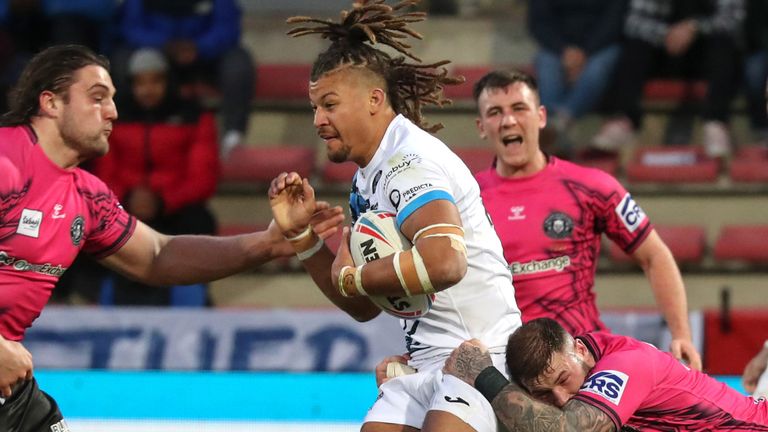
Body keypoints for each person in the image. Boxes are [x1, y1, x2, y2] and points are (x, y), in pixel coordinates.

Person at [0, 44, 343, 430]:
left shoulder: (85, 195)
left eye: (113, 99)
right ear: (50, 103)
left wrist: (266, 244)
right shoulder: (7, 160)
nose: (113, 112)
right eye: (97, 98)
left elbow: (158, 256)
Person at [269, 1, 522, 431]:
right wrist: (303, 240)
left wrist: (353, 276)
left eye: (329, 104)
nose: (318, 120)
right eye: (314, 107)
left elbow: (446, 262)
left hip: (480, 358)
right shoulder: (366, 180)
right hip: (422, 365)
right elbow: (364, 308)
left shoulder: (410, 160)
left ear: (374, 99)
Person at [472, 69, 701, 369]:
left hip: (583, 357)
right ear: (481, 126)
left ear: (541, 116)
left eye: (519, 108)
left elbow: (654, 255)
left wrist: (681, 334)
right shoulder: (467, 198)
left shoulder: (592, 186)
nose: (509, 121)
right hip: (504, 361)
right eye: (495, 112)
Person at [441, 318, 768, 432]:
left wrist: (484, 376)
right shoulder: (569, 357)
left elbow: (569, 431)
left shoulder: (626, 364)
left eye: (563, 380)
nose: (561, 399)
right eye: (543, 394)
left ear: (579, 351)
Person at [89, 48, 219, 305]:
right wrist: (127, 198)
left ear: (168, 81)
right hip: (125, 208)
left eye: (156, 81)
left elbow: (203, 179)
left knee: (200, 221)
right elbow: (104, 175)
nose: (148, 90)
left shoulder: (195, 117)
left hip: (175, 209)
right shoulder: (111, 118)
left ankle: (191, 301)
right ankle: (95, 303)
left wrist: (161, 202)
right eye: (140, 83)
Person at [591, 0, 745, 157]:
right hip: (664, 50)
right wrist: (666, 33)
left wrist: (694, 27)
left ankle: (716, 122)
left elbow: (733, 19)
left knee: (724, 45)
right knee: (635, 46)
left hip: (705, 53)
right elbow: (634, 22)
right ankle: (624, 120)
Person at [114, 0, 255, 157]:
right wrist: (164, 45)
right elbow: (130, 27)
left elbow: (228, 27)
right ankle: (127, 131)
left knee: (238, 63)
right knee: (122, 60)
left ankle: (232, 136)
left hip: (207, 55)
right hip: (158, 52)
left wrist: (199, 47)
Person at [528, 0, 627, 156]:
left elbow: (614, 21)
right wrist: (565, 51)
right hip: (558, 49)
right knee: (547, 65)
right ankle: (553, 128)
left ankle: (556, 126)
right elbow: (538, 22)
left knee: (597, 69)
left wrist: (585, 53)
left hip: (599, 47)